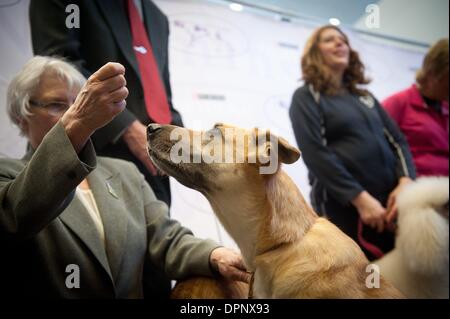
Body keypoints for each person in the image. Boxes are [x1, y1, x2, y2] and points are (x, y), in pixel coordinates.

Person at [0, 56, 249, 298]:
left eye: (77, 103)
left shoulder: (124, 172)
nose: (70, 113)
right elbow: (16, 216)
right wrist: (77, 123)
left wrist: (214, 255)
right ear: (21, 117)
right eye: (56, 105)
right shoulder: (8, 177)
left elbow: (166, 238)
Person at [29, 0, 184, 297]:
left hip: (155, 161)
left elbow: (160, 93)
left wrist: (178, 139)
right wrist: (126, 128)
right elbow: (59, 66)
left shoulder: (157, 17)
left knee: (156, 270)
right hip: (95, 152)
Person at [289, 25, 416, 261]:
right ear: (315, 53)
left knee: (393, 282)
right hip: (343, 208)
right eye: (330, 40)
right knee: (354, 280)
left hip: (389, 207)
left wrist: (405, 181)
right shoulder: (306, 96)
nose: (340, 43)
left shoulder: (365, 97)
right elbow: (315, 153)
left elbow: (397, 141)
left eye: (343, 40)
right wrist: (360, 199)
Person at [383, 39, 449, 178]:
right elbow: (379, 150)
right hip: (417, 188)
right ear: (434, 74)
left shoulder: (445, 107)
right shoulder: (398, 103)